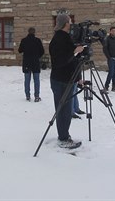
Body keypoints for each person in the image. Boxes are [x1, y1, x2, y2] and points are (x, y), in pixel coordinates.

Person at [49, 14, 84, 149]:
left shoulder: (67, 37)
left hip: (68, 78)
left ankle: (64, 135)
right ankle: (63, 138)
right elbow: (60, 61)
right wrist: (75, 51)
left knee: (65, 110)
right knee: (63, 110)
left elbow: (72, 61)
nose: (72, 24)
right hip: (60, 80)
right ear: (65, 23)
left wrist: (78, 77)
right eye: (70, 21)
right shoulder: (58, 39)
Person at [18, 27, 45, 101]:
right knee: (36, 80)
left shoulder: (24, 40)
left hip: (26, 62)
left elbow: (20, 50)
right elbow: (42, 51)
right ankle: (36, 96)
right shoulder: (37, 40)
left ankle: (27, 96)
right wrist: (37, 56)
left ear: (28, 32)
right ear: (34, 32)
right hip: (35, 62)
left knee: (27, 80)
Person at [103, 26, 115, 92]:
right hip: (111, 59)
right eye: (112, 30)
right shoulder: (107, 39)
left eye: (114, 31)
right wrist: (109, 57)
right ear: (110, 31)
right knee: (111, 72)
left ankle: (114, 87)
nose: (113, 32)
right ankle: (106, 87)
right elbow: (105, 49)